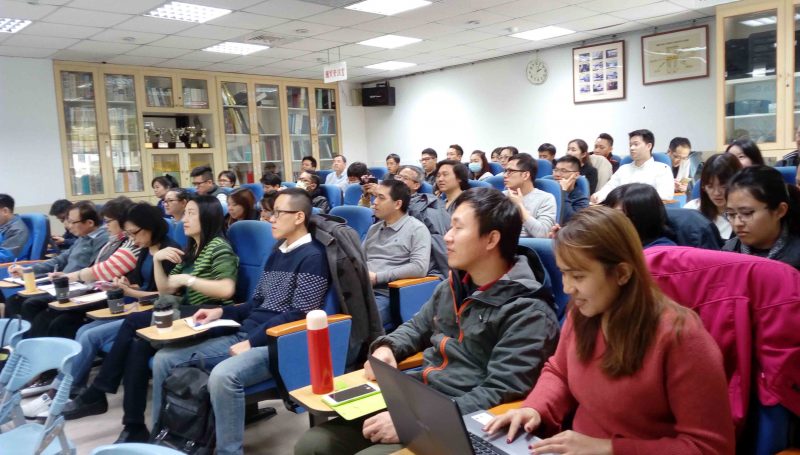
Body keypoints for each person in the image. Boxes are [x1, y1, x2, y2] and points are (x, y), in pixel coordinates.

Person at [295, 188, 560, 455]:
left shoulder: (528, 310)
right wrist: (388, 347)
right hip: (421, 396)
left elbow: (501, 391)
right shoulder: (454, 285)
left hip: (460, 419)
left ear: (491, 239)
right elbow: (417, 327)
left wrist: (416, 422)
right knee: (314, 445)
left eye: (458, 228)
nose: (447, 236)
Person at [484, 206, 735, 455]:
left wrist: (609, 448)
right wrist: (535, 408)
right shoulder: (583, 312)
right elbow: (560, 371)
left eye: (578, 277)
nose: (567, 288)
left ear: (622, 273)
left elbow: (710, 448)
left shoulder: (681, 337)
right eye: (563, 273)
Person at [152, 189, 330, 455]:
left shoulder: (313, 257)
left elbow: (300, 314)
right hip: (247, 334)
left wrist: (251, 342)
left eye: (277, 213)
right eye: (270, 212)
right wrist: (220, 313)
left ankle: (229, 451)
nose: (270, 219)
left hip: (276, 343)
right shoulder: (277, 252)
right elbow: (255, 304)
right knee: (164, 359)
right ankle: (161, 436)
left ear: (299, 217)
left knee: (224, 375)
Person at [63, 195, 239, 443]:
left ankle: (98, 391)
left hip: (210, 314)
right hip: (187, 313)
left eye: (191, 214)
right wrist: (157, 260)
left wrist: (189, 280)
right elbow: (166, 289)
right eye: (185, 213)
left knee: (134, 322)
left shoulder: (219, 247)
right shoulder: (192, 249)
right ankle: (134, 425)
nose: (184, 219)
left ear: (208, 217)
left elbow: (226, 290)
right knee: (137, 347)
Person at [25, 196, 140, 339]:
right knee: (40, 312)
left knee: (58, 321)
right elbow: (68, 260)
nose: (106, 226)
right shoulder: (113, 240)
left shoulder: (130, 243)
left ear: (123, 222)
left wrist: (70, 277)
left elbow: (101, 271)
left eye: (108, 221)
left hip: (107, 295)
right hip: (91, 288)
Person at [6, 201, 109, 319]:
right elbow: (59, 260)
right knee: (14, 300)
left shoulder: (102, 239)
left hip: (80, 288)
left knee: (32, 305)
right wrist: (28, 270)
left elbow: (94, 270)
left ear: (89, 223)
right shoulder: (82, 238)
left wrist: (67, 277)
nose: (69, 226)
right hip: (63, 284)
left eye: (72, 222)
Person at [364, 180, 431, 330]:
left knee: (359, 324)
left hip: (388, 294)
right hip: (363, 289)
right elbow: (360, 259)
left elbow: (419, 267)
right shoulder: (374, 229)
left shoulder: (417, 229)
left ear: (397, 204)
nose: (375, 202)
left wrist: (377, 277)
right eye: (375, 196)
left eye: (381, 198)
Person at [723, 165, 800, 270]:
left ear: (780, 211)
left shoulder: (795, 259)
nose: (737, 223)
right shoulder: (728, 253)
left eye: (747, 213)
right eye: (731, 214)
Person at [395, 165, 451, 279]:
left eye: (404, 178)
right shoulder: (387, 206)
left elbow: (438, 245)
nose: (399, 181)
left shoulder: (426, 208)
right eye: (398, 177)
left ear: (416, 185)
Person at [592, 129, 674, 203]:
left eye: (636, 144)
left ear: (648, 146)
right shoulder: (624, 169)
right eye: (630, 145)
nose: (631, 148)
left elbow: (665, 195)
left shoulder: (662, 169)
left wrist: (633, 199)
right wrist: (598, 196)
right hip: (620, 210)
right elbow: (610, 187)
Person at [684, 153, 742, 240]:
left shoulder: (745, 217)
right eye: (710, 186)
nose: (716, 193)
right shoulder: (692, 209)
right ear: (703, 186)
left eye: (723, 186)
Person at [603, 183, 676, 248]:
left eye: (617, 214)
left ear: (642, 217)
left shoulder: (662, 251)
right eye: (608, 212)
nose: (608, 220)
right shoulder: (619, 240)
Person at [503, 153, 556, 238]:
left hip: (528, 246)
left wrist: (519, 206)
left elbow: (543, 234)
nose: (505, 175)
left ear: (525, 175)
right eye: (505, 171)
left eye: (510, 171)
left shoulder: (546, 198)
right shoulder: (501, 196)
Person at [553, 155, 589, 223]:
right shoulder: (548, 190)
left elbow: (571, 222)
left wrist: (564, 192)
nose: (557, 174)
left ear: (576, 175)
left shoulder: (581, 200)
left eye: (563, 171)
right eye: (556, 170)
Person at [0, 194, 30, 262]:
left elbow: (5, 257)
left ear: (5, 211)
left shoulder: (17, 230)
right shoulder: (3, 224)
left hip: (9, 266)